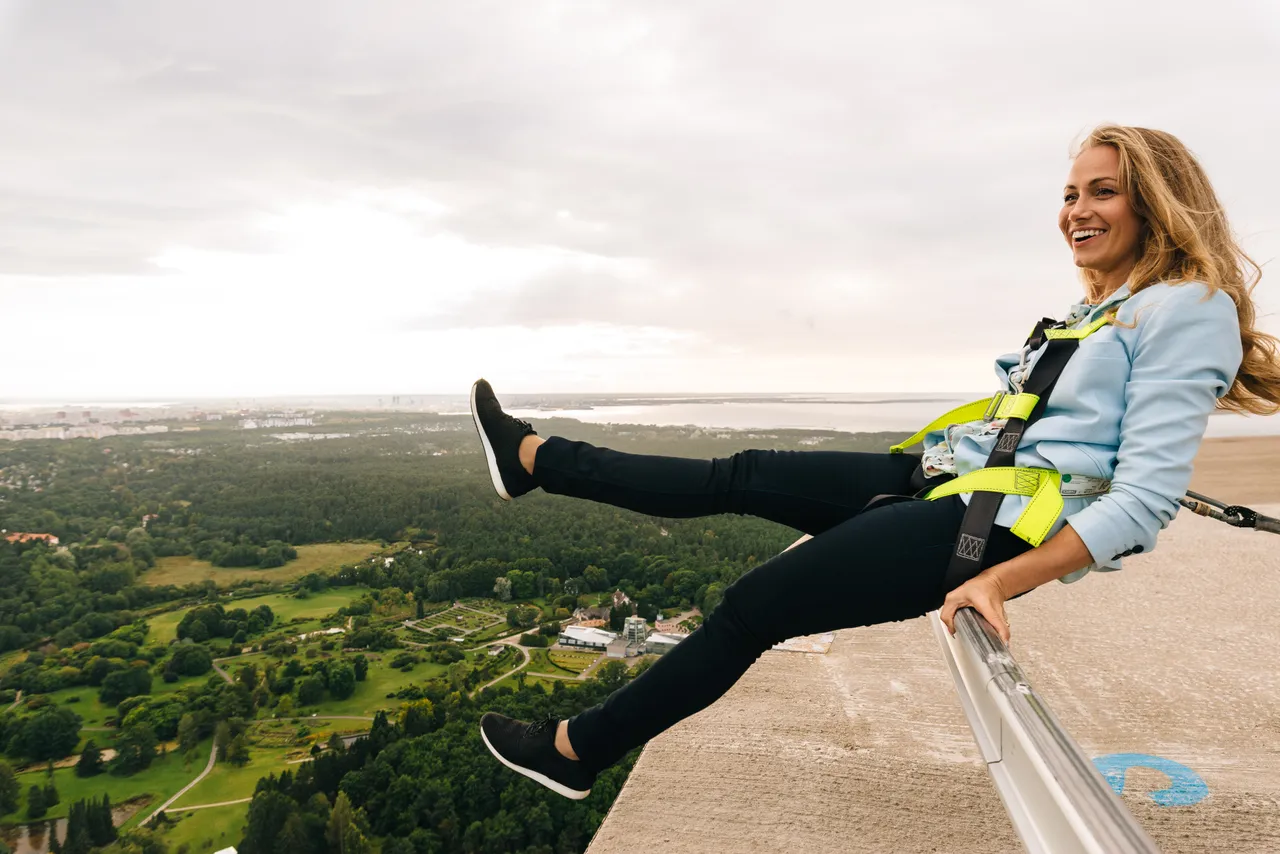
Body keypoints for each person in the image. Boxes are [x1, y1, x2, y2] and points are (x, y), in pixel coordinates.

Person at [470, 125, 1280, 800]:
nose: (1076, 211)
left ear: (1159, 199)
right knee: (742, 472)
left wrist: (999, 577)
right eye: (1070, 194)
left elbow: (1143, 502)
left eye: (1102, 191)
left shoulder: (1189, 308)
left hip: (987, 524)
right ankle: (537, 460)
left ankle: (575, 752)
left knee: (754, 606)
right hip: (947, 479)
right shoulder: (1103, 306)